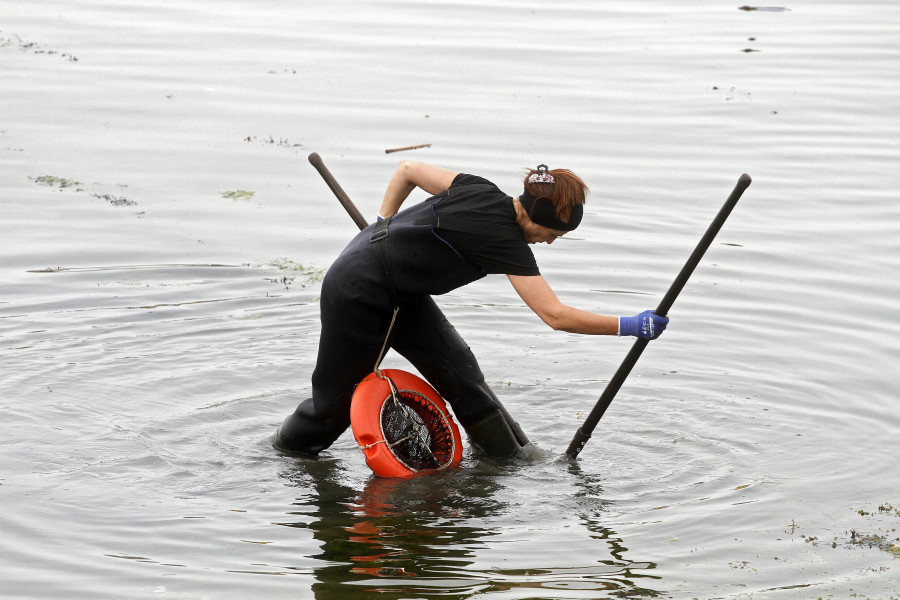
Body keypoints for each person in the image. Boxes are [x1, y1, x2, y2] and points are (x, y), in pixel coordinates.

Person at [275, 161, 669, 458]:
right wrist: (631, 325)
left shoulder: (478, 188)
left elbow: (408, 170)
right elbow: (555, 316)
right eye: (551, 235)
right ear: (533, 216)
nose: (549, 243)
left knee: (461, 371)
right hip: (357, 291)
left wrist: (383, 222)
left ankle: (510, 459)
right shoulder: (505, 241)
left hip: (402, 292)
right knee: (334, 407)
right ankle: (282, 454)